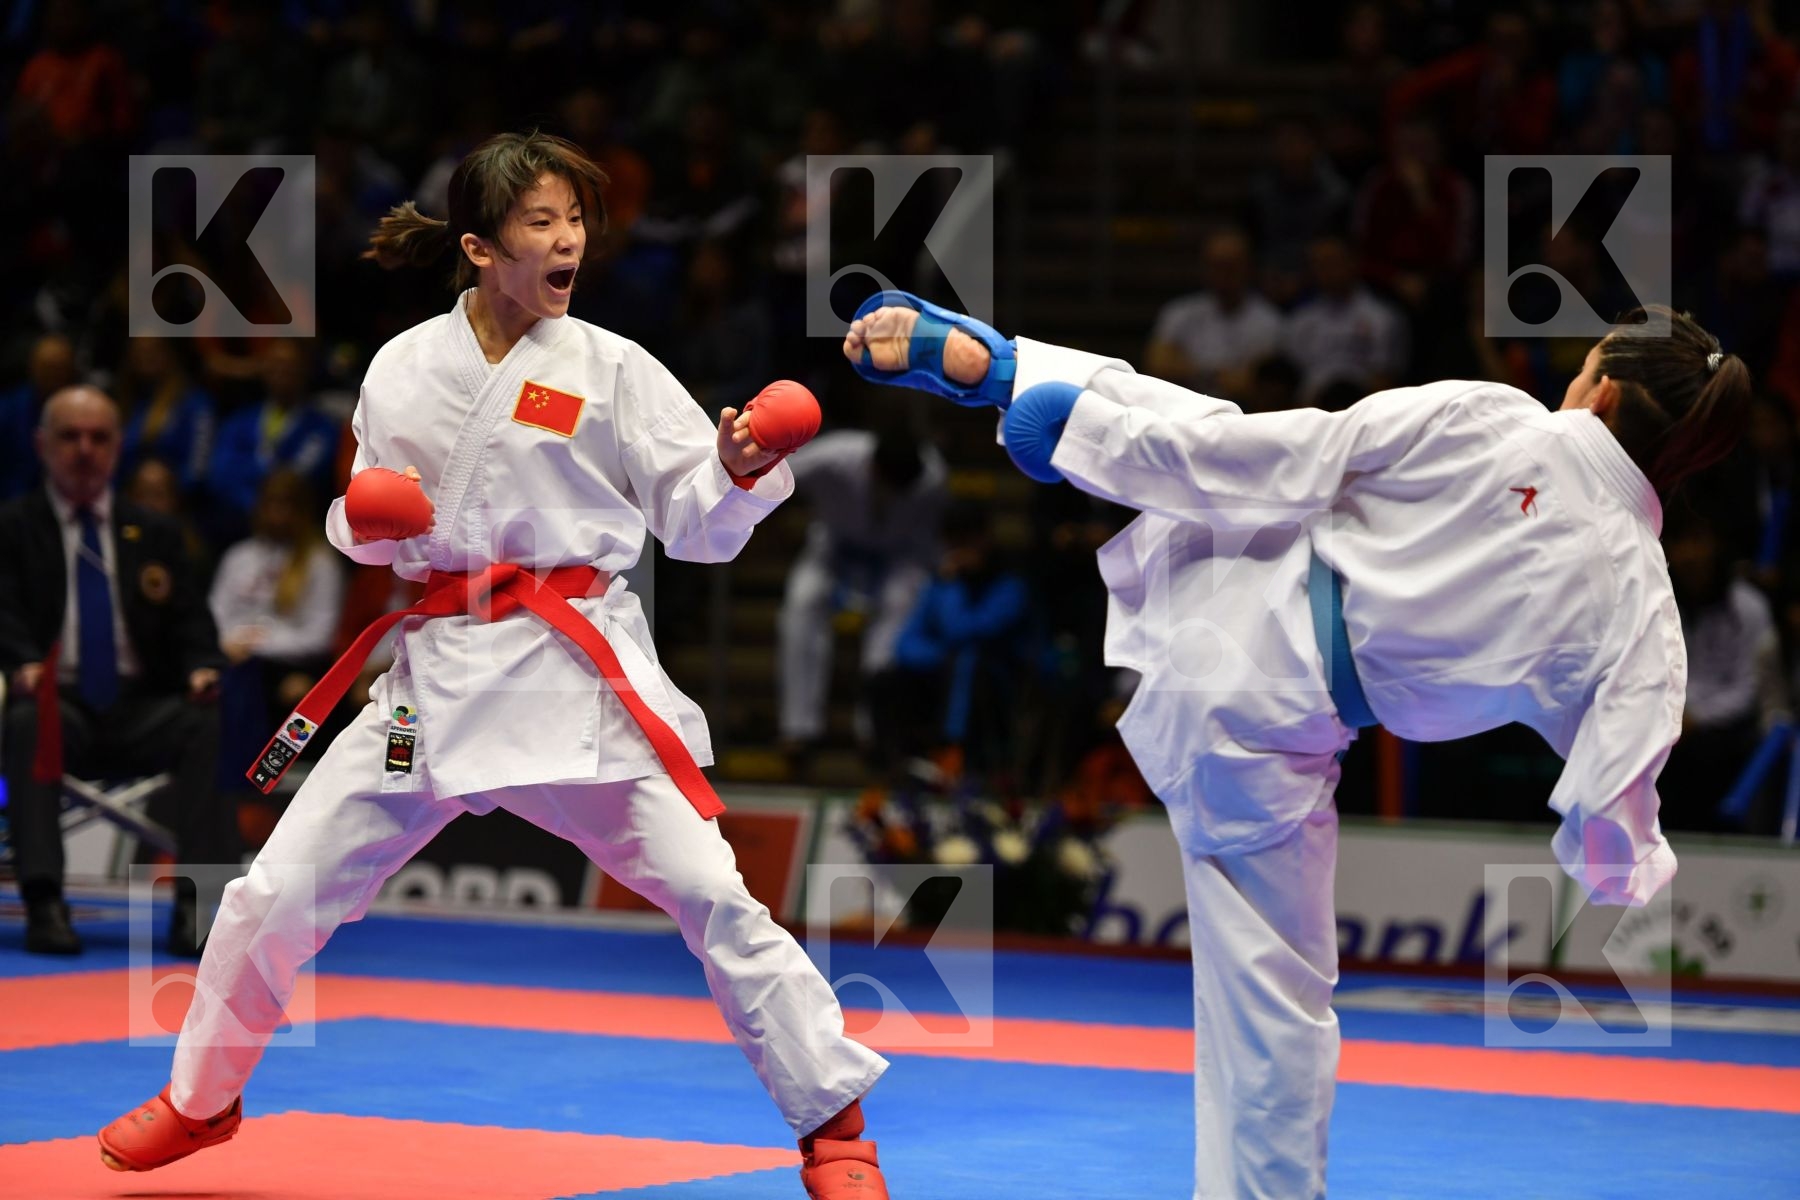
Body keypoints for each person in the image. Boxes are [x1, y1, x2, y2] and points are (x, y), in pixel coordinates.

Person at [95, 131, 890, 1200]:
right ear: (478, 246)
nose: (570, 243)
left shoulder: (612, 366)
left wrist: (740, 467)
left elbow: (696, 526)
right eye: (542, 224)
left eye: (576, 221)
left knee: (717, 898)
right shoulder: (404, 368)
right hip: (433, 683)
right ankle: (200, 1101)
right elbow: (368, 522)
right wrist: (362, 524)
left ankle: (834, 1130)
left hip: (577, 677)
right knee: (271, 893)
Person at [843, 290, 1750, 1199]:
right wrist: (1622, 864)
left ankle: (1014, 370)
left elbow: (1292, 454)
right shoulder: (1644, 613)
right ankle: (1026, 380)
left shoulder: (1498, 419)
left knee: (1231, 435)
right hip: (1272, 731)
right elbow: (1611, 812)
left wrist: (1088, 439)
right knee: (1275, 1004)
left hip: (1245, 612)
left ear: (1600, 396)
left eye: (1585, 364)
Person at [0, 387, 233, 957]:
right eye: (69, 436)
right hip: (60, 703)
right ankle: (45, 901)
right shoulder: (12, 526)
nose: (84, 449)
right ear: (41, 445)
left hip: (139, 708)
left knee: (204, 722)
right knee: (28, 717)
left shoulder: (154, 531)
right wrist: (23, 664)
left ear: (118, 446)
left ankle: (197, 907)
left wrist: (203, 668)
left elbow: (192, 625)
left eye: (98, 437)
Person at [777, 424, 947, 766]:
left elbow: (930, 539)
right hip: (834, 548)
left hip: (897, 556)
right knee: (803, 598)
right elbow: (772, 475)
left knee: (902, 601)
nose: (892, 497)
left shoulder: (933, 479)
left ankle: (873, 727)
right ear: (872, 468)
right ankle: (799, 728)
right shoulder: (834, 457)